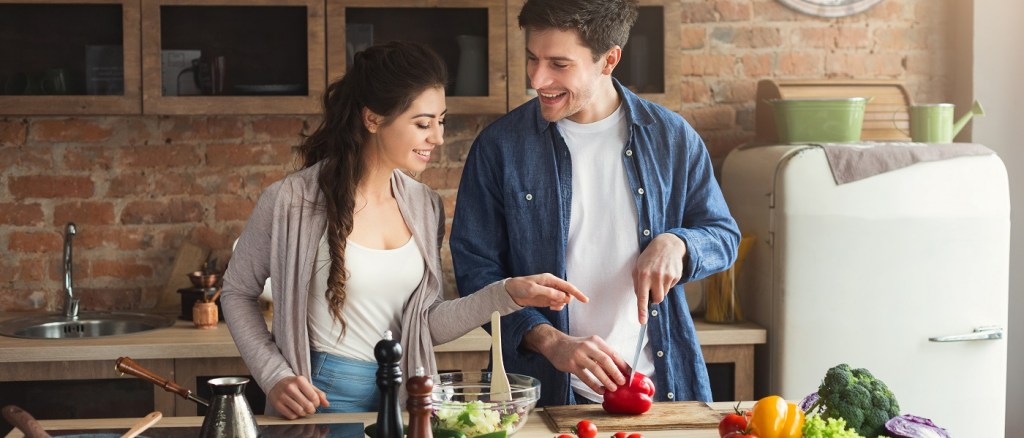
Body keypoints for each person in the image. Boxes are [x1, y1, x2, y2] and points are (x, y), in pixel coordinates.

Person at [221, 41, 586, 419]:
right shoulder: (290, 201)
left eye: (440, 121)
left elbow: (425, 324)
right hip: (321, 398)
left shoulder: (424, 205)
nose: (438, 137)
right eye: (423, 123)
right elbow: (236, 292)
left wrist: (507, 293)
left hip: (406, 397)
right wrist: (274, 375)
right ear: (373, 119)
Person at [449, 0, 741, 407]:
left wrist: (679, 244)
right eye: (532, 58)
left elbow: (724, 236)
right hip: (544, 395)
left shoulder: (672, 138)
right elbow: (477, 273)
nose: (537, 77)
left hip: (660, 391)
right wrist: (550, 340)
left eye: (559, 64)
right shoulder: (500, 147)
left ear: (609, 60)